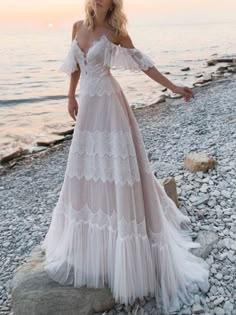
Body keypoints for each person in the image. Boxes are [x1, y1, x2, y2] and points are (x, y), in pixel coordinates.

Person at [41, 0, 209, 314]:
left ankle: (127, 247)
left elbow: (143, 64)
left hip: (110, 105)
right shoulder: (77, 27)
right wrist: (69, 97)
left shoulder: (117, 32)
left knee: (116, 171)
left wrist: (173, 86)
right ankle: (91, 241)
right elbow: (76, 67)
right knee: (85, 171)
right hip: (88, 106)